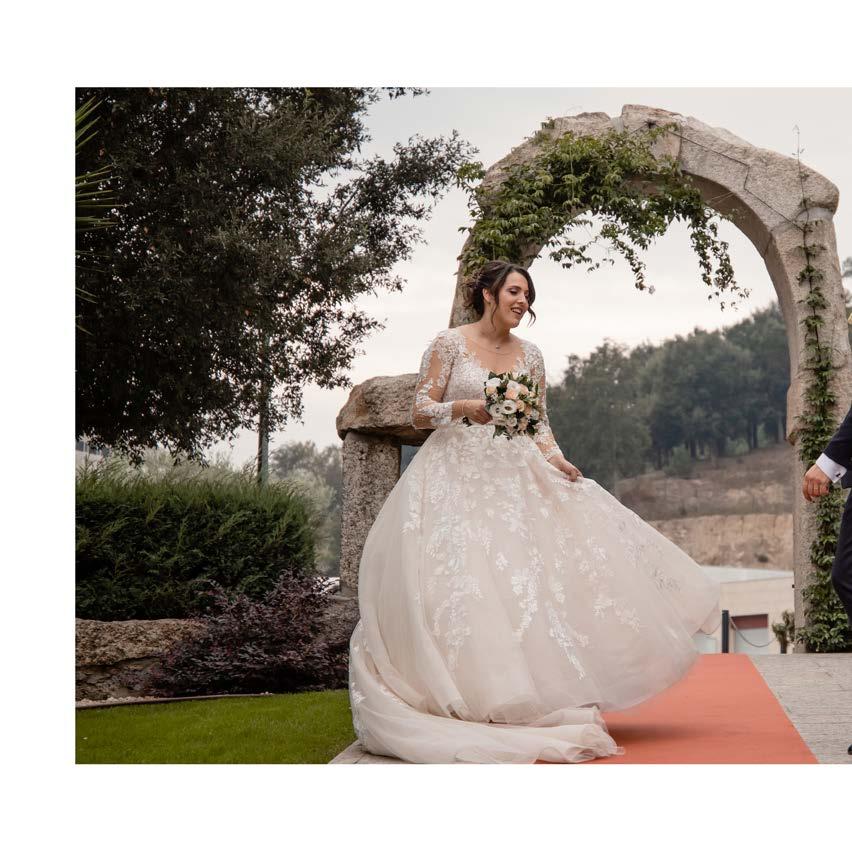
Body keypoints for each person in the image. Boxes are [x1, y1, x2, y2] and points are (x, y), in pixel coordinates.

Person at [346, 260, 721, 763]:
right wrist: (465, 408)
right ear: (488, 295)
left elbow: (538, 422)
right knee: (461, 584)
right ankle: (464, 693)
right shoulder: (448, 344)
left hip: (514, 476)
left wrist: (557, 460)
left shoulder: (532, 355)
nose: (523, 302)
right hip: (454, 477)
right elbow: (420, 411)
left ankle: (522, 694)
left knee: (520, 584)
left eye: (527, 295)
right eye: (515, 292)